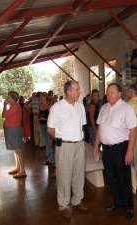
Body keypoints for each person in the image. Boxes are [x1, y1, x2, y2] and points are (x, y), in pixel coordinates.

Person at [93, 83, 137, 221]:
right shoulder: (104, 107)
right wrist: (96, 144)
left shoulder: (126, 108)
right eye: (107, 92)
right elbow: (100, 127)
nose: (109, 95)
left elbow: (133, 129)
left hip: (121, 148)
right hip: (106, 149)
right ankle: (117, 202)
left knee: (124, 178)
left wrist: (129, 151)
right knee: (111, 177)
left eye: (112, 92)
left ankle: (129, 207)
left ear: (119, 94)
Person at [47, 81, 88, 220]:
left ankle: (77, 200)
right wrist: (59, 140)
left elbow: (83, 125)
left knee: (79, 174)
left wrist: (81, 136)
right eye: (77, 89)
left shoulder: (81, 106)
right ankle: (64, 205)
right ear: (68, 92)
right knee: (64, 176)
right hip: (64, 146)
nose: (80, 91)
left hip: (79, 145)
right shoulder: (57, 107)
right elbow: (50, 128)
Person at [2, 91, 27, 178]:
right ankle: (18, 168)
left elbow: (4, 115)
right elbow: (5, 115)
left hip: (14, 130)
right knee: (15, 150)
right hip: (11, 129)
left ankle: (22, 171)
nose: (7, 98)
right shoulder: (14, 106)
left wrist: (5, 106)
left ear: (12, 98)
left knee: (18, 150)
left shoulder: (16, 106)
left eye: (8, 97)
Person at [38, 93, 54, 166]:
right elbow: (39, 114)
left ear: (45, 97)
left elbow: (53, 118)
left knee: (49, 142)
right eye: (40, 97)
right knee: (46, 142)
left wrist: (45, 118)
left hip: (48, 126)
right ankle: (49, 158)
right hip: (42, 125)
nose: (40, 98)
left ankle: (51, 159)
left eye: (41, 97)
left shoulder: (49, 106)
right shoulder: (40, 106)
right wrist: (39, 118)